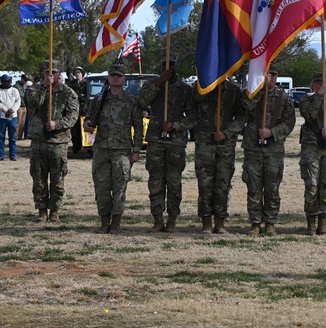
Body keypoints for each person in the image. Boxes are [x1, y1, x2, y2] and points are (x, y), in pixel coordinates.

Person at [84, 62, 144, 234]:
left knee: (120, 188)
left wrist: (136, 150)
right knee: (101, 187)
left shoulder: (131, 101)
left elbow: (138, 127)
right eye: (113, 75)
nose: (116, 78)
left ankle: (116, 222)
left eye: (119, 75)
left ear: (124, 79)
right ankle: (104, 222)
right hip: (101, 149)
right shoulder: (98, 100)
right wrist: (88, 125)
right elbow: (88, 119)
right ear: (108, 78)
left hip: (122, 150)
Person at [138, 56, 195, 232]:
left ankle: (172, 220)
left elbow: (193, 116)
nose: (169, 67)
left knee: (174, 183)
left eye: (172, 64)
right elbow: (142, 102)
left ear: (177, 65)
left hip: (175, 142)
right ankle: (157, 220)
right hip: (155, 140)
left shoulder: (184, 89)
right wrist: (158, 83)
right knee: (155, 181)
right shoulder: (151, 84)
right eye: (165, 64)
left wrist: (176, 125)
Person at [241, 66, 295, 236]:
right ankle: (255, 223)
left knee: (272, 189)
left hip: (273, 149)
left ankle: (270, 222)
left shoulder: (284, 98)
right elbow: (246, 107)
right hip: (253, 148)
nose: (269, 77)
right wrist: (258, 90)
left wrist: (272, 132)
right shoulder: (251, 94)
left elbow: (289, 123)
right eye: (267, 74)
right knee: (254, 187)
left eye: (273, 75)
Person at [25, 60, 80, 222]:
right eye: (47, 72)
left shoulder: (68, 93)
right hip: (39, 141)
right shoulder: (34, 90)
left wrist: (57, 124)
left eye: (54, 72)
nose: (51, 75)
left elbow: (73, 116)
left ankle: (55, 210)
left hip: (58, 142)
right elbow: (34, 104)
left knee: (58, 178)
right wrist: (44, 87)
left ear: (60, 73)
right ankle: (41, 210)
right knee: (38, 177)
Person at [192, 76, 245, 234]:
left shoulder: (234, 91)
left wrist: (227, 133)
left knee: (223, 184)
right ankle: (206, 221)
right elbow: (195, 99)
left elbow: (241, 118)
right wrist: (206, 84)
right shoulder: (202, 86)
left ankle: (220, 222)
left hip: (225, 145)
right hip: (205, 142)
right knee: (205, 184)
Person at [297, 73, 326, 235]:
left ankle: (323, 222)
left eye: (323, 83)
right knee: (311, 185)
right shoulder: (306, 100)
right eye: (317, 83)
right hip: (311, 147)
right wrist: (319, 96)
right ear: (312, 85)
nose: (320, 85)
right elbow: (309, 114)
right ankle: (311, 221)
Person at [0, 73, 21, 161]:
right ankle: (0, 155)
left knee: (13, 137)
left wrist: (12, 110)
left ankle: (13, 156)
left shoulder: (14, 90)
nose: (8, 83)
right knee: (0, 137)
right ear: (2, 82)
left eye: (9, 81)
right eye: (6, 81)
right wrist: (5, 110)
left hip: (13, 116)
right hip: (1, 117)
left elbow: (18, 102)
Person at [67, 66, 88, 155]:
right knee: (75, 131)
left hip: (85, 109)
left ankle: (87, 147)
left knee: (85, 129)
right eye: (76, 72)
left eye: (79, 72)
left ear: (82, 74)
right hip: (75, 109)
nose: (77, 74)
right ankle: (76, 147)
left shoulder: (87, 83)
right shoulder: (72, 84)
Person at [16, 73, 29, 140]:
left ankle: (19, 136)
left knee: (22, 123)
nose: (25, 82)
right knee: (18, 122)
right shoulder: (16, 86)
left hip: (25, 106)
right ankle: (15, 136)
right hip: (19, 106)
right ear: (21, 79)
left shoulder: (24, 86)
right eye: (25, 80)